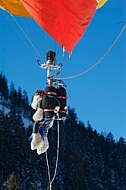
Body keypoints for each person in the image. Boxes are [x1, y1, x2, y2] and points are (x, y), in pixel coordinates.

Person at [30, 90, 55, 155]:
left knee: (40, 128)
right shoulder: (45, 100)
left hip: (45, 119)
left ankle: (40, 144)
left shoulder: (40, 101)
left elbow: (39, 111)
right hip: (50, 118)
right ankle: (41, 145)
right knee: (43, 130)